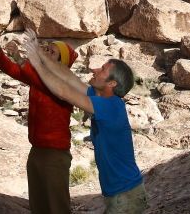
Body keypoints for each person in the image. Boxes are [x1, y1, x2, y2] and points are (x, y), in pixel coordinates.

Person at [22, 32, 146, 214]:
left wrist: (36, 64)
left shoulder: (111, 106)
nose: (95, 70)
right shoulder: (101, 96)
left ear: (111, 83)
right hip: (121, 195)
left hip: (125, 197)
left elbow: (64, 91)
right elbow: (68, 77)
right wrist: (39, 53)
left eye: (102, 70)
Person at [0, 32, 77, 214]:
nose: (46, 52)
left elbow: (29, 74)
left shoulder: (63, 83)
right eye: (46, 49)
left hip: (55, 155)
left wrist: (19, 57)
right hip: (37, 150)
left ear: (62, 63)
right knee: (38, 205)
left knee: (57, 207)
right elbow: (13, 71)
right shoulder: (38, 78)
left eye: (52, 52)